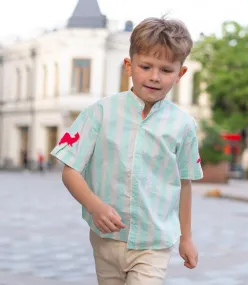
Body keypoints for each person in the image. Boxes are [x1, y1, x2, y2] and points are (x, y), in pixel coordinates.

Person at [51, 16, 203, 285]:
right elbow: (70, 170)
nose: (155, 77)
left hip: (154, 244)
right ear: (129, 66)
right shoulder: (98, 113)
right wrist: (94, 206)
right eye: (146, 66)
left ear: (180, 74)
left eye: (166, 70)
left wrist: (186, 238)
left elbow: (184, 183)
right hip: (106, 239)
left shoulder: (184, 125)